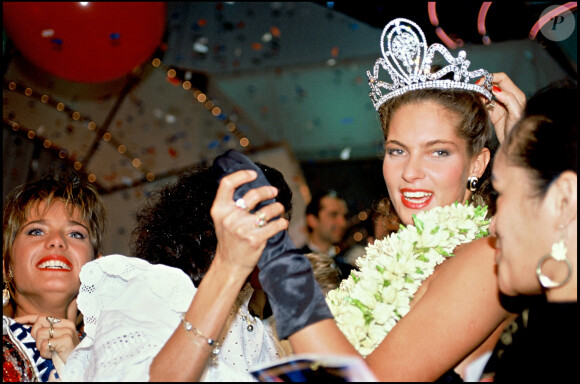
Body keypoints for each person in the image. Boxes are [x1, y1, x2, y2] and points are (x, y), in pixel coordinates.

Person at [253, 18, 530, 382]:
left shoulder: (486, 258)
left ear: (477, 162)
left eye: (439, 152)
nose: (411, 172)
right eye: (398, 151)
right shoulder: (395, 255)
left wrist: (285, 278)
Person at [59, 152, 315, 381]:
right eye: (271, 226)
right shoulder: (154, 290)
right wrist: (228, 268)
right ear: (218, 226)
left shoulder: (259, 329)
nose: (285, 244)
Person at [477, 83, 577, 381]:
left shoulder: (548, 350)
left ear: (563, 200)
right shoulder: (540, 334)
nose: (493, 224)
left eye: (500, 193)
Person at [3, 174, 107, 382]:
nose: (57, 241)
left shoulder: (121, 359)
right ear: (6, 266)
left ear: (98, 267)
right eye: (36, 231)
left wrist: (77, 365)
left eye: (76, 234)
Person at [300, 190, 351, 277]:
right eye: (333, 215)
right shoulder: (296, 264)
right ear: (312, 220)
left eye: (344, 216)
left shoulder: (348, 269)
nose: (343, 223)